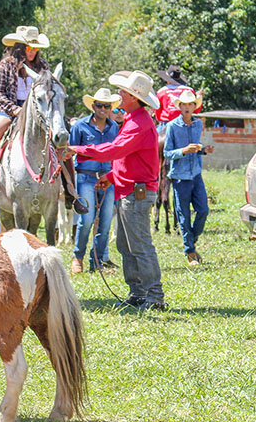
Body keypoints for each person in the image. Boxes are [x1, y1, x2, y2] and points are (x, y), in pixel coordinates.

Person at [68, 70, 165, 310]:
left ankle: (154, 296)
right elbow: (129, 158)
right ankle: (139, 292)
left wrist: (77, 149)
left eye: (124, 92)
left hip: (135, 193)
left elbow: (113, 151)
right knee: (126, 244)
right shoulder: (135, 120)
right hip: (130, 190)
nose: (119, 95)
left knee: (139, 245)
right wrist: (112, 177)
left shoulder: (138, 123)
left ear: (134, 97)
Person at [0, 26, 86, 214]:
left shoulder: (43, 66)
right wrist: (15, 110)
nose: (33, 51)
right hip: (12, 111)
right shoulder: (6, 65)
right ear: (20, 47)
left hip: (40, 113)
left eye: (35, 48)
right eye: (29, 47)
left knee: (62, 143)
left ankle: (70, 193)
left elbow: (50, 92)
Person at [69, 87, 121, 274]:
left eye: (107, 106)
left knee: (106, 221)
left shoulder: (114, 127)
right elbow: (71, 151)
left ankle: (97, 259)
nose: (103, 109)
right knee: (87, 219)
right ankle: (78, 256)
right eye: (99, 105)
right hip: (86, 177)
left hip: (107, 177)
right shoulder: (79, 127)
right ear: (93, 106)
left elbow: (116, 153)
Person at [163, 89, 214, 265]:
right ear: (180, 106)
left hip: (195, 174)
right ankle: (190, 251)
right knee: (183, 215)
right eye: (183, 104)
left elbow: (196, 148)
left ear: (194, 106)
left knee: (203, 210)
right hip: (179, 176)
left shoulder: (198, 124)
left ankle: (191, 240)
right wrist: (183, 151)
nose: (186, 107)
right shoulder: (172, 126)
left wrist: (203, 150)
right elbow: (167, 153)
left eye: (190, 104)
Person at [155, 65, 203, 129]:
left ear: (167, 79)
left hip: (166, 124)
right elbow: (196, 109)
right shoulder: (189, 90)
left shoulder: (161, 92)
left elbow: (157, 114)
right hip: (184, 124)